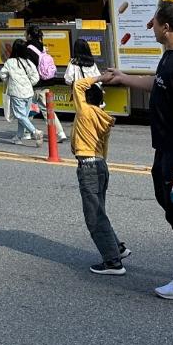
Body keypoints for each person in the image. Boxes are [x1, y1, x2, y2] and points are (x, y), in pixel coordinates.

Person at [101, 0, 173, 301]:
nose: (150, 26)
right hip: (165, 147)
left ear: (165, 27)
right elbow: (157, 84)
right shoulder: (170, 57)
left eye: (154, 22)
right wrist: (122, 78)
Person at [71, 77, 131, 275]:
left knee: (94, 217)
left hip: (88, 165)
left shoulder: (85, 111)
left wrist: (100, 78)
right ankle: (117, 249)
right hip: (100, 164)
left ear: (86, 99)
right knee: (100, 211)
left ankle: (113, 262)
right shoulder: (102, 116)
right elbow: (104, 147)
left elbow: (78, 84)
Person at [25, 25, 67, 144]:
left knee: (28, 108)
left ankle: (27, 133)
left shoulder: (28, 49)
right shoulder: (42, 47)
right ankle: (60, 133)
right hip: (47, 81)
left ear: (29, 35)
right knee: (47, 110)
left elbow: (28, 67)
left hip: (35, 83)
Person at [0, 38, 41, 144]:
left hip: (16, 93)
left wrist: (9, 81)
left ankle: (35, 132)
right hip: (28, 92)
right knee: (23, 116)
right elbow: (35, 77)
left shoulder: (10, 62)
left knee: (20, 115)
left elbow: (3, 75)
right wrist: (28, 84)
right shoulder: (29, 62)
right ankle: (18, 137)